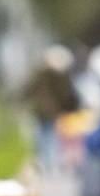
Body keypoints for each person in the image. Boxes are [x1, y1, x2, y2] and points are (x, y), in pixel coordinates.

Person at [20, 45, 81, 173]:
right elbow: (66, 93)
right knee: (50, 136)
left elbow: (28, 89)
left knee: (42, 136)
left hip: (41, 110)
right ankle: (50, 162)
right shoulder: (59, 76)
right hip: (52, 110)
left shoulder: (40, 74)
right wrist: (70, 106)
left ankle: (44, 161)